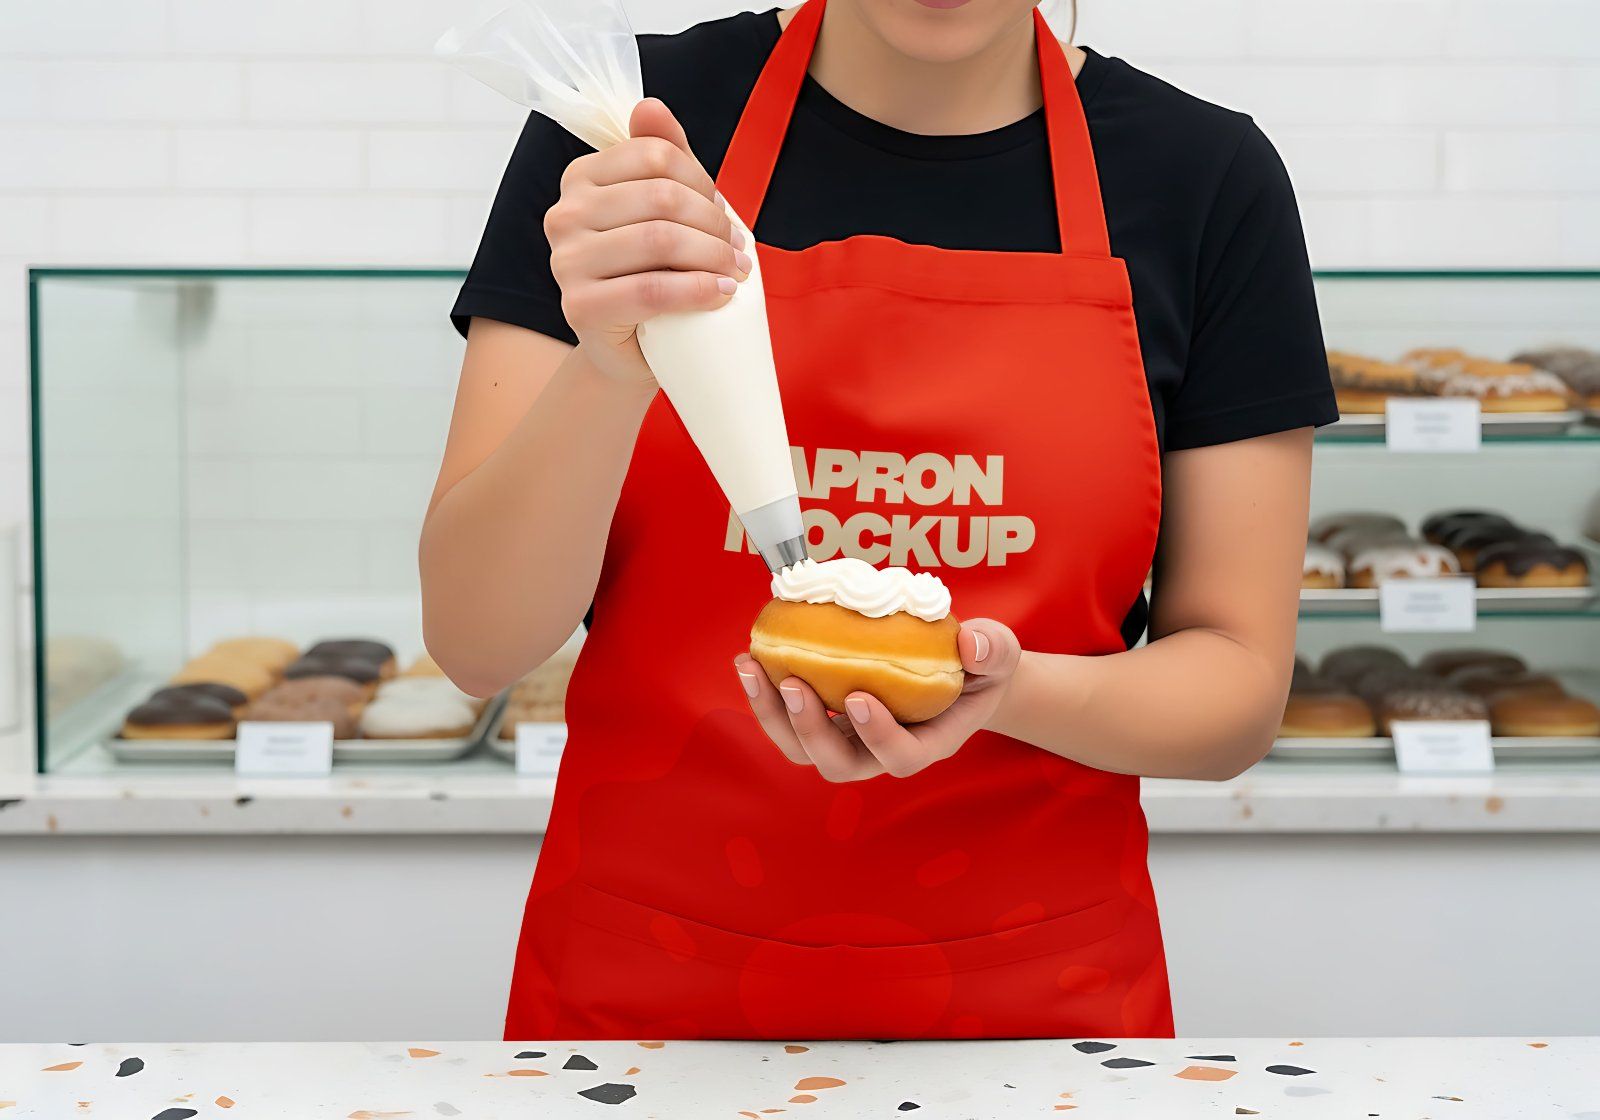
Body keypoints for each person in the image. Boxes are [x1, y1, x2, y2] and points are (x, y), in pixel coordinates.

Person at [421, 0, 1335, 1040]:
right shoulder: (632, 135)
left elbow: (1236, 688)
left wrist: (1001, 688)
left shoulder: (1203, 176)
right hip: (641, 1013)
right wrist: (607, 367)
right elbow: (475, 642)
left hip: (1041, 1021)